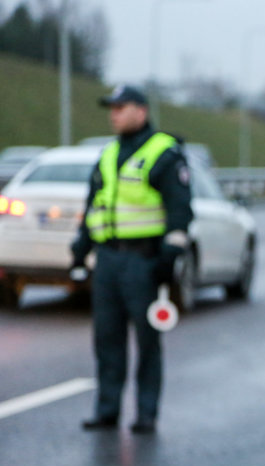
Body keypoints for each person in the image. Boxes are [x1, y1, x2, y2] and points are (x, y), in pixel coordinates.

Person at [70, 84, 193, 435]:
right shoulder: (108, 154)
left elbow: (180, 211)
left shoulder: (164, 153)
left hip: (144, 260)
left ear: (141, 111)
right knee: (106, 339)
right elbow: (95, 206)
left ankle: (146, 414)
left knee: (147, 341)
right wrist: (80, 250)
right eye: (112, 108)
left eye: (121, 107)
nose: (114, 114)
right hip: (108, 259)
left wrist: (168, 258)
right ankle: (107, 410)